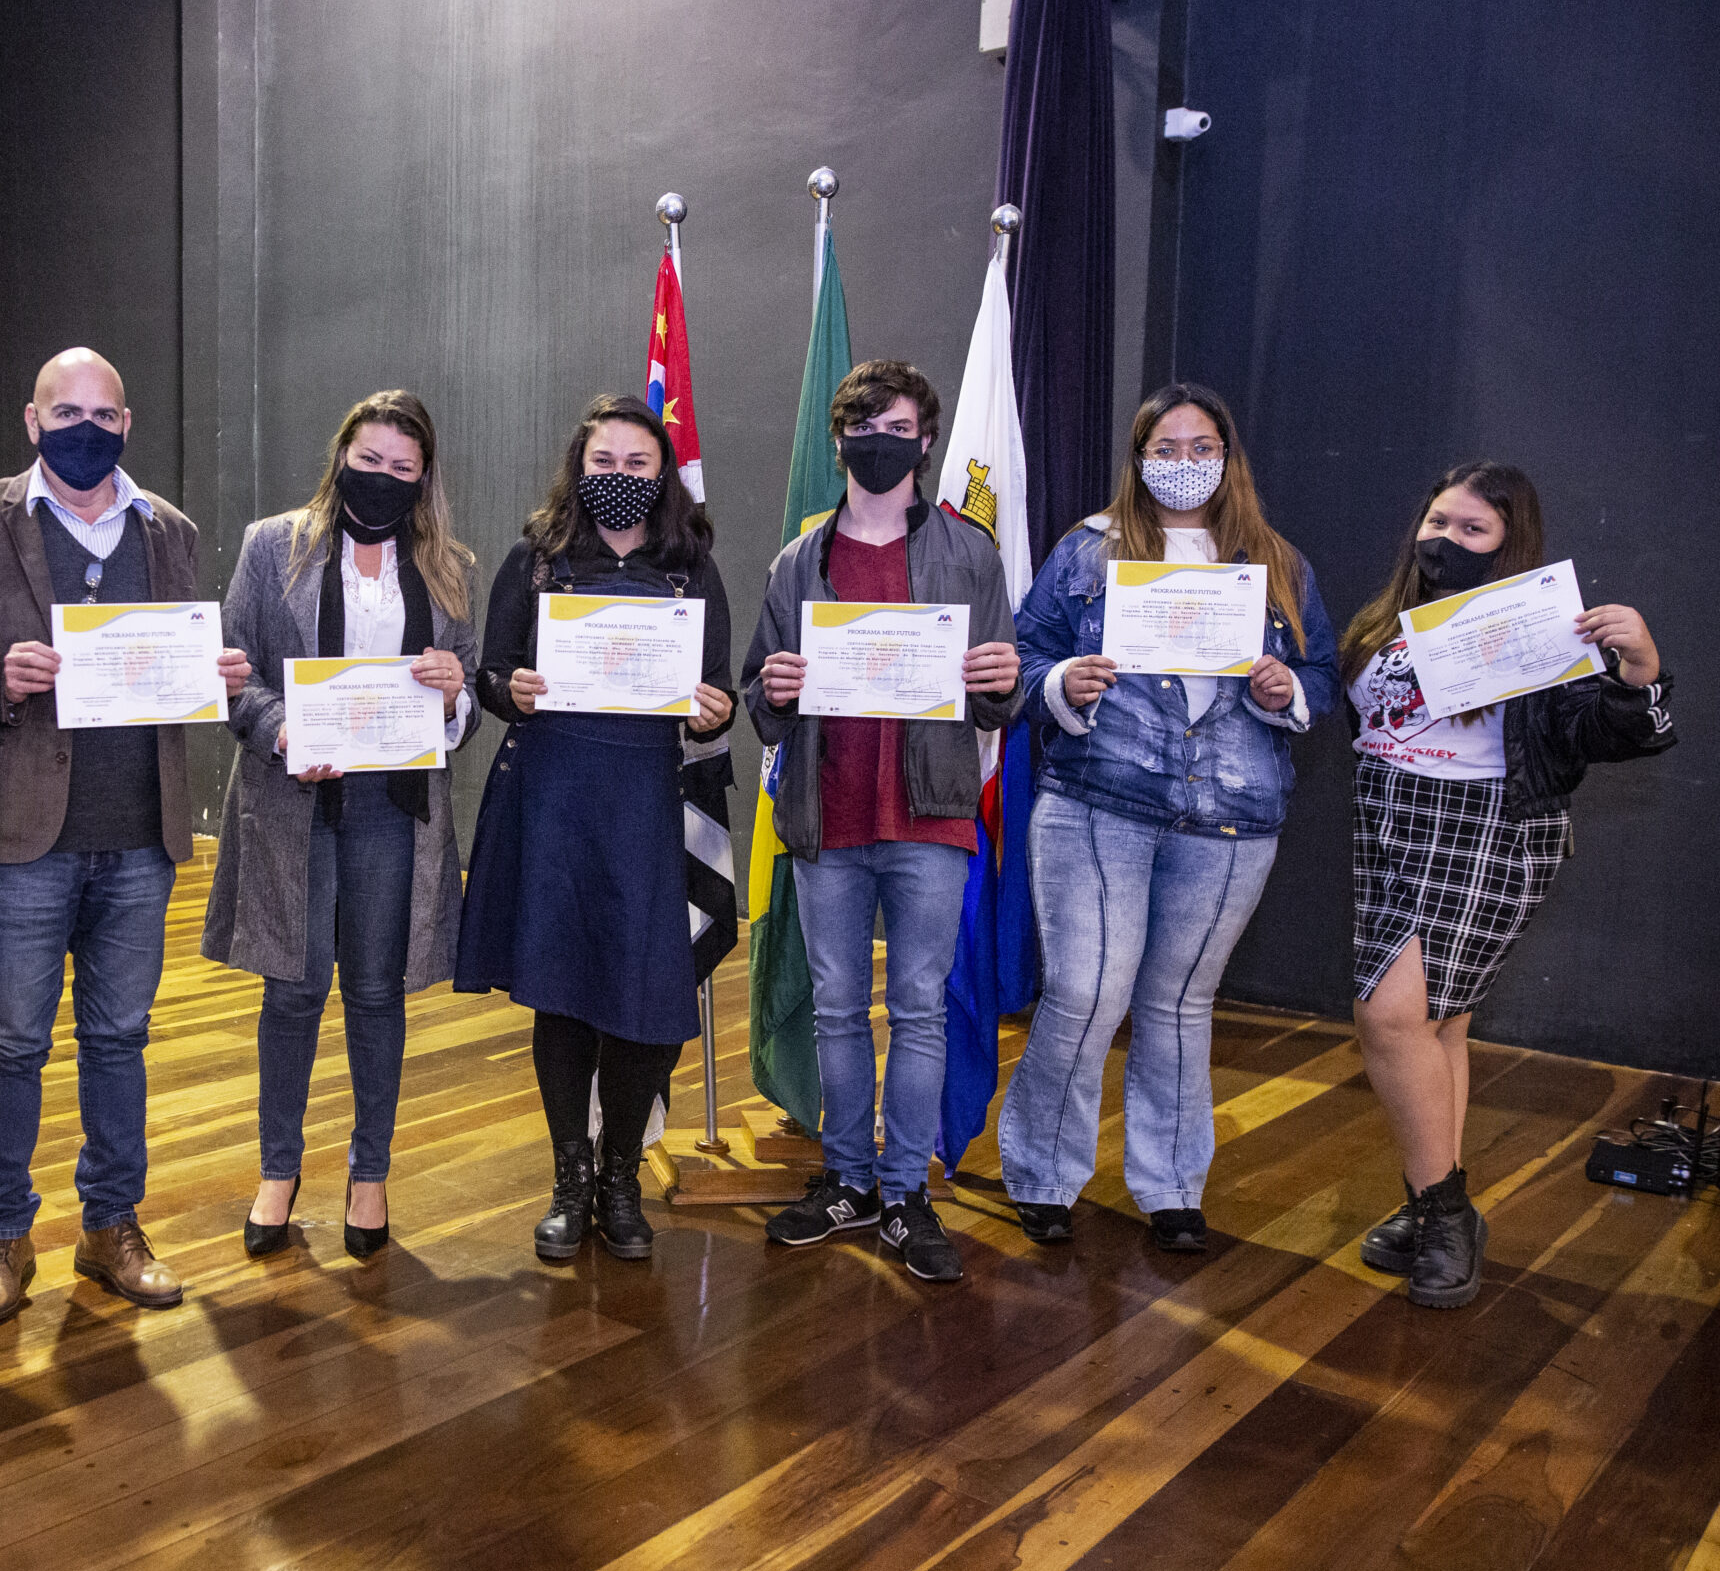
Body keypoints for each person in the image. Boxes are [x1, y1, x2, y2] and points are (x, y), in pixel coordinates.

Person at [0, 348, 250, 1317]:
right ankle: (2, 1237)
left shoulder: (169, 530)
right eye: (66, 412)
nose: (86, 429)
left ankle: (112, 1226)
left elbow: (178, 664)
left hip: (141, 834)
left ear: (127, 424)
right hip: (24, 838)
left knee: (119, 1038)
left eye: (104, 415)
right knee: (13, 1041)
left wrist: (215, 677)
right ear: (32, 420)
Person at [996, 383, 1339, 1253]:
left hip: (1231, 814)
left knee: (1181, 1001)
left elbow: (1324, 673)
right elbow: (1027, 651)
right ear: (1139, 457)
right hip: (1098, 800)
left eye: (1201, 448)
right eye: (1166, 448)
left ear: (1227, 457)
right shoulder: (1087, 549)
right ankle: (1042, 1174)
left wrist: (1288, 688)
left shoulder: (1279, 563)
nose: (1183, 463)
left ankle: (1174, 1186)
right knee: (1085, 993)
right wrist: (1060, 681)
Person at [1340, 461, 1673, 1309]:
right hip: (1389, 826)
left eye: (1472, 529)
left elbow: (1604, 729)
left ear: (1508, 542)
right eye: (1438, 521)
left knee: (1390, 1017)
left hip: (1488, 829)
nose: (1446, 539)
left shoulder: (1537, 628)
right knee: (1438, 1022)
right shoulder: (1386, 620)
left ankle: (1445, 1213)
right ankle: (1433, 1206)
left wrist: (1639, 666)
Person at [740, 360, 1023, 1280]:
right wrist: (775, 689)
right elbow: (759, 695)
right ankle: (848, 1179)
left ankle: (905, 1192)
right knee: (835, 1008)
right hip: (827, 815)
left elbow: (999, 696)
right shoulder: (799, 560)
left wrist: (1002, 682)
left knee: (918, 1009)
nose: (880, 443)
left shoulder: (969, 553)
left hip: (930, 814)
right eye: (864, 428)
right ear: (839, 441)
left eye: (899, 428)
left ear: (926, 441)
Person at [456, 394, 735, 1263]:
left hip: (652, 805)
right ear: (579, 468)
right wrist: (509, 689)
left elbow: (719, 690)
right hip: (557, 802)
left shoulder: (691, 568)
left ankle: (622, 1173)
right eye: (603, 462)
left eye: (636, 463)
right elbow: (491, 672)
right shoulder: (536, 558)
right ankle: (570, 1177)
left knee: (650, 998)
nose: (619, 475)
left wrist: (714, 710)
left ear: (663, 474)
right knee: (566, 989)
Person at [204, 392, 480, 1260]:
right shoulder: (270, 547)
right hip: (294, 800)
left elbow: (468, 694)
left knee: (374, 990)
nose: (382, 477)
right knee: (292, 988)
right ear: (341, 457)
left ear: (423, 478)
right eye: (369, 459)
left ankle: (370, 1173)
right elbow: (233, 676)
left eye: (402, 466)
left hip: (392, 812)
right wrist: (283, 729)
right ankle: (277, 1169)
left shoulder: (448, 567)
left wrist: (454, 694)